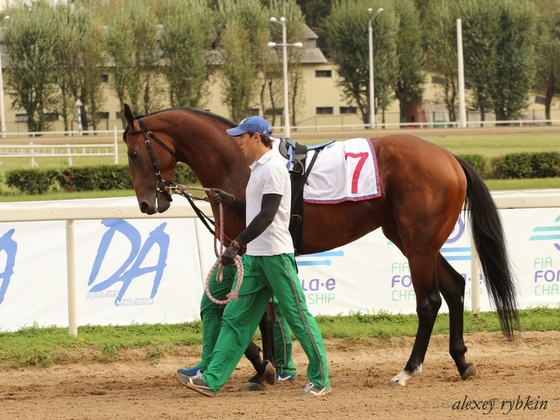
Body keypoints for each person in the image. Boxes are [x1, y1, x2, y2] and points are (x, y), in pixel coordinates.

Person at [175, 116, 331, 397]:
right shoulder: (258, 168)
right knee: (236, 317)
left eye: (242, 137)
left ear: (257, 137)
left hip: (275, 256)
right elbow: (257, 207)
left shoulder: (272, 168)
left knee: (298, 318)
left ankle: (320, 381)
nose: (238, 142)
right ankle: (212, 380)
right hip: (256, 257)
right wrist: (232, 201)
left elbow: (268, 215)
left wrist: (237, 243)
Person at [177, 265, 297, 382]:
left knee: (271, 307)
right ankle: (207, 365)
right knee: (211, 305)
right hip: (230, 258)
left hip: (255, 258)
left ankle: (283, 368)